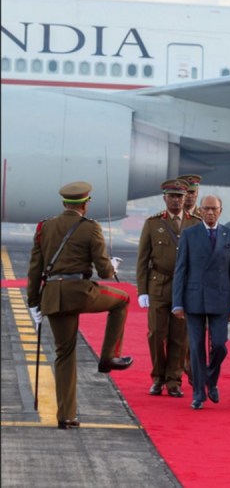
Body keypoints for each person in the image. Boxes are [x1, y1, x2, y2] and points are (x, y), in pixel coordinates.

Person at [26, 181, 133, 429]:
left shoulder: (45, 227)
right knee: (122, 300)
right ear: (85, 204)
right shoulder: (90, 228)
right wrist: (112, 266)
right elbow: (104, 271)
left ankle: (66, 417)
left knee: (64, 354)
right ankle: (109, 357)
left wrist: (33, 304)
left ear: (64, 203)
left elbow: (34, 269)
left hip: (53, 296)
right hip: (81, 293)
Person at [172, 194, 230, 410]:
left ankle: (211, 379)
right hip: (195, 298)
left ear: (221, 211)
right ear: (200, 211)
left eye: (214, 209)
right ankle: (198, 393)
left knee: (219, 345)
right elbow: (181, 270)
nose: (210, 212)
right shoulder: (189, 234)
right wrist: (177, 302)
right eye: (206, 209)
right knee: (196, 347)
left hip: (221, 298)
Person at [136, 179, 200, 398]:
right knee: (156, 334)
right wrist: (142, 291)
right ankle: (158, 377)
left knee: (179, 337)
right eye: (172, 196)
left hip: (185, 288)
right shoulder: (153, 223)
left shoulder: (195, 223)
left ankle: (174, 380)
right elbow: (142, 260)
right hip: (159, 285)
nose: (176, 200)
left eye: (180, 197)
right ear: (164, 198)